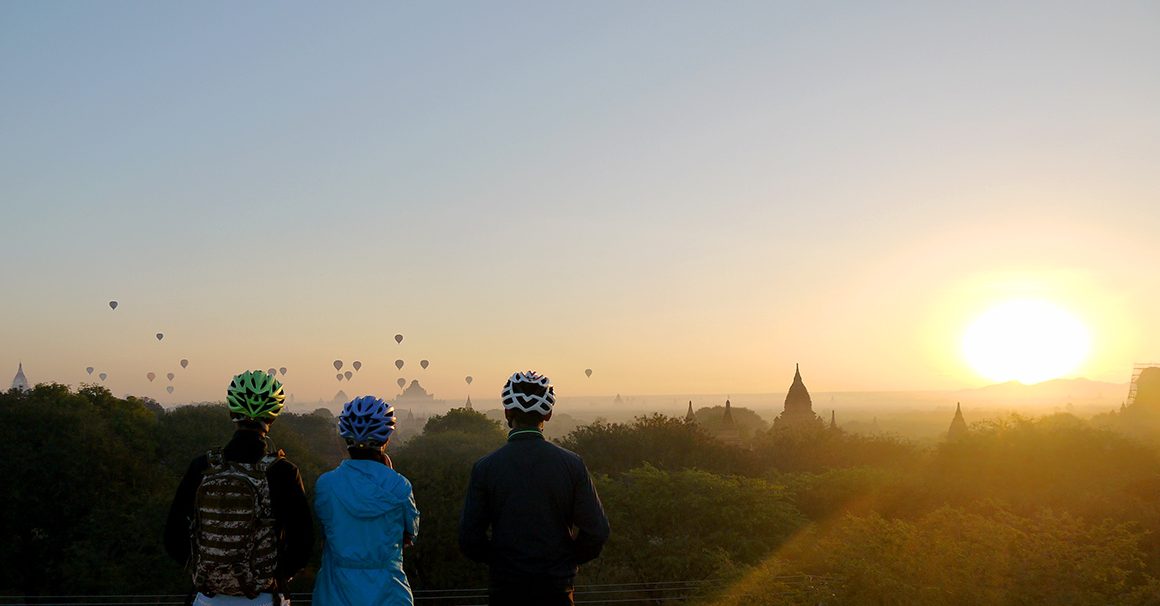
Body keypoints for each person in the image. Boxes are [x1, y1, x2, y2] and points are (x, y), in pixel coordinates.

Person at [459, 370, 610, 606]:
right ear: (548, 414)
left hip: (506, 588)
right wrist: (567, 561)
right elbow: (597, 531)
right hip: (556, 588)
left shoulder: (485, 467)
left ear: (507, 412)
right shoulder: (572, 464)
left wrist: (501, 561)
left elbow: (469, 539)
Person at [164, 370, 313, 606]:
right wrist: (275, 577)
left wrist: (207, 571)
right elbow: (302, 544)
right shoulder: (283, 471)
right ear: (273, 417)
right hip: (263, 597)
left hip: (207, 597)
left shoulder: (203, 466)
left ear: (232, 411)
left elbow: (173, 536)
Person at [312, 395, 419, 606]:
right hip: (389, 592)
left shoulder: (326, 484)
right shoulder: (400, 486)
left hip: (335, 592)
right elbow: (410, 534)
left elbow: (323, 530)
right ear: (386, 439)